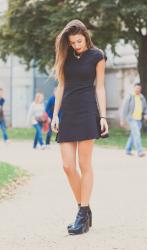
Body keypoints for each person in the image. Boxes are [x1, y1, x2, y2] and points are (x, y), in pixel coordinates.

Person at [51, 19, 108, 235]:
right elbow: (61, 85)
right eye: (73, 42)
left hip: (87, 111)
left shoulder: (97, 56)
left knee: (84, 164)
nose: (76, 45)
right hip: (69, 112)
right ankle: (84, 207)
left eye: (79, 40)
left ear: (85, 36)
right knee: (67, 166)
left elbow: (100, 88)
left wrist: (102, 116)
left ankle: (82, 214)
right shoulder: (65, 56)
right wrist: (55, 114)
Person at [120, 83, 147, 157]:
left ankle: (128, 150)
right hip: (131, 118)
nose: (137, 89)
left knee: (133, 135)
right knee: (137, 134)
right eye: (136, 88)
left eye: (139, 88)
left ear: (140, 89)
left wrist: (146, 114)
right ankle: (140, 151)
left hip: (139, 119)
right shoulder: (130, 96)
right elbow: (124, 109)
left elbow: (145, 108)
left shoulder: (142, 97)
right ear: (134, 88)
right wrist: (122, 119)